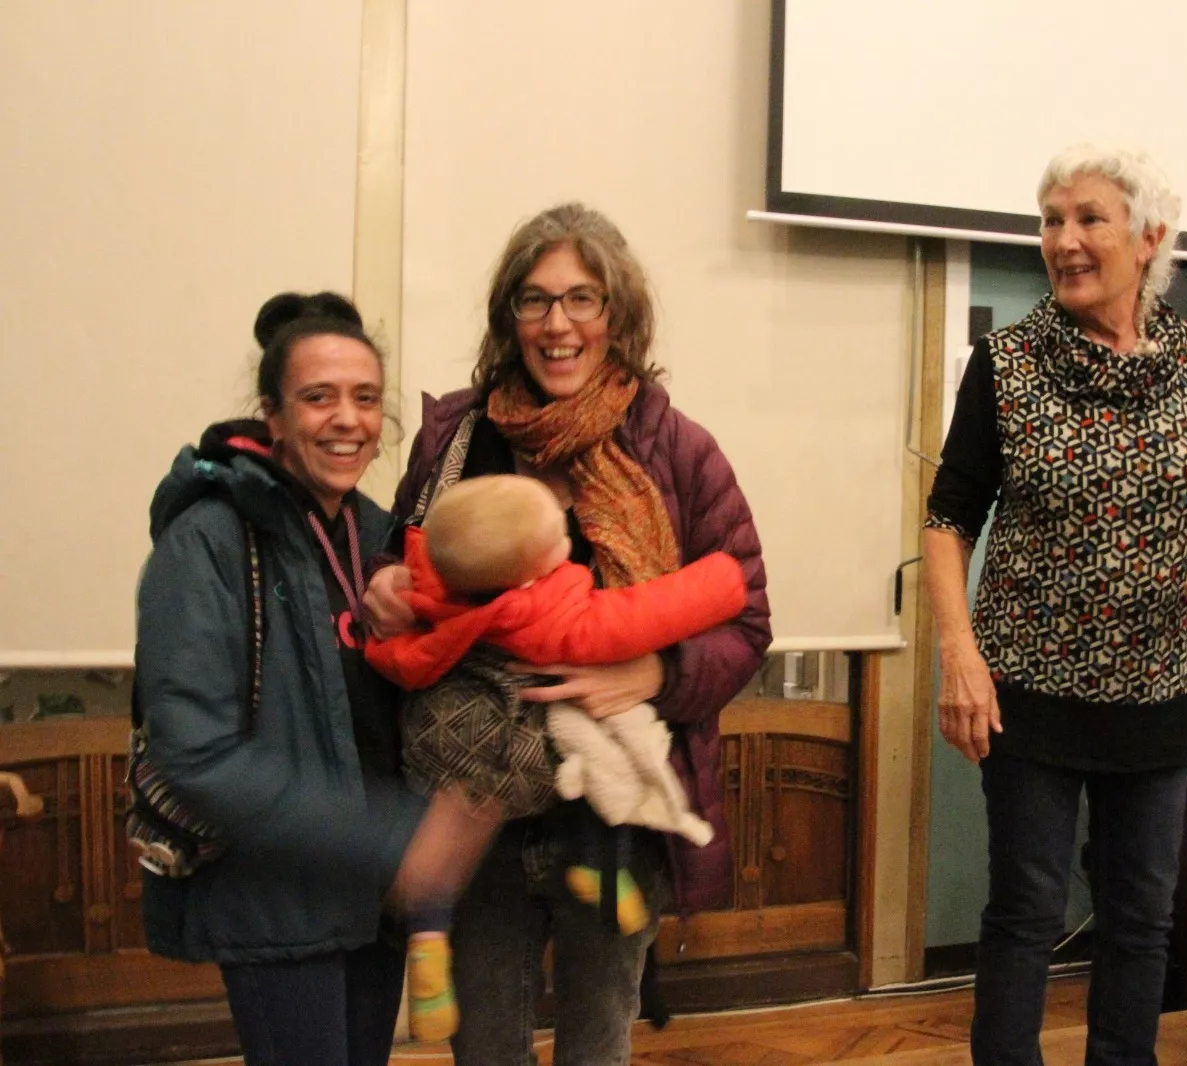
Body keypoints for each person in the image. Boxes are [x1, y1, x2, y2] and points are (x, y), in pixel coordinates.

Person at [362, 202, 771, 1064]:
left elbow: (745, 616)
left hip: (608, 816)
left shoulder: (677, 451)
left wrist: (655, 672)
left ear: (617, 315)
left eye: (582, 299)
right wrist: (385, 592)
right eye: (536, 300)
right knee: (486, 1050)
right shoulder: (453, 439)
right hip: (476, 806)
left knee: (595, 1046)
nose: (559, 325)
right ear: (508, 317)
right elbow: (400, 573)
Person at [924, 145, 1187, 1066]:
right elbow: (948, 518)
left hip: (1162, 693)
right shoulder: (1006, 364)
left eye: (1088, 220)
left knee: (1141, 919)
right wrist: (960, 654)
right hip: (1029, 691)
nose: (1063, 241)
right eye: (1050, 220)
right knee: (1026, 913)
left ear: (1149, 238)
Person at [134, 292, 493, 1066]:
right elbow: (192, 753)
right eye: (318, 396)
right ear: (272, 414)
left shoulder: (375, 535)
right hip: (280, 902)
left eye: (365, 398)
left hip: (376, 897)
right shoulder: (208, 540)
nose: (347, 419)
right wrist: (396, 840)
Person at [363, 474, 744, 1039]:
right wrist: (722, 581)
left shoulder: (439, 603)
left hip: (444, 760)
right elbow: (642, 613)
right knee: (602, 772)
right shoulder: (549, 615)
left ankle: (425, 938)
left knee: (437, 857)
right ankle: (600, 871)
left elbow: (396, 654)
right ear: (537, 567)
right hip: (533, 761)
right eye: (555, 539)